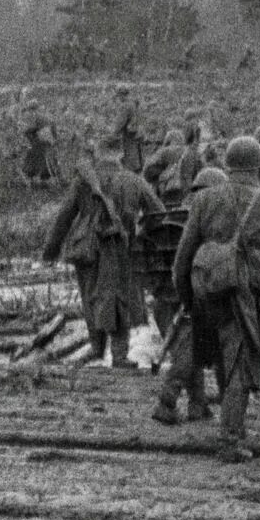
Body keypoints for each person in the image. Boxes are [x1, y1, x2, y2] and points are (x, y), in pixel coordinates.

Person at [173, 138, 260, 462]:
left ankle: (227, 423)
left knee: (223, 355)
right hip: (242, 291)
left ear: (228, 166)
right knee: (241, 362)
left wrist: (187, 296)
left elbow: (184, 255)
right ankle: (230, 440)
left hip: (205, 286)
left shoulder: (204, 199)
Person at [41, 134, 159, 368]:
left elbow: (64, 216)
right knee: (119, 298)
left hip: (88, 250)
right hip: (122, 248)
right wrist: (143, 238)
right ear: (121, 154)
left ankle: (96, 348)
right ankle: (119, 355)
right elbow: (158, 212)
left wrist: (50, 250)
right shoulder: (134, 181)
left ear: (98, 153)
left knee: (91, 297)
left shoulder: (84, 181)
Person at [152, 165, 227, 425]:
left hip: (167, 297)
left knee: (192, 349)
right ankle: (167, 399)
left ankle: (198, 405)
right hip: (189, 298)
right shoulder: (206, 218)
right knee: (189, 351)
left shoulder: (177, 216)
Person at [20, 113, 61, 184]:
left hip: (40, 147)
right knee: (39, 163)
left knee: (40, 163)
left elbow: (28, 132)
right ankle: (40, 180)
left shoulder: (41, 128)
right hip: (39, 147)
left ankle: (40, 180)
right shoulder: (44, 127)